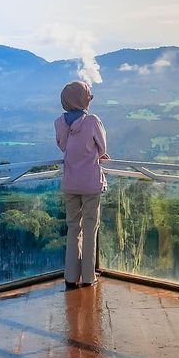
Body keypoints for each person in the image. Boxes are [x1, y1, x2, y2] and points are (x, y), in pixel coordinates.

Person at [54, 80, 109, 289]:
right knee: (90, 228)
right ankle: (88, 277)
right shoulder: (93, 121)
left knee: (72, 228)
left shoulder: (60, 123)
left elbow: (62, 147)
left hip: (70, 183)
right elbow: (102, 147)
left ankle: (70, 277)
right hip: (91, 184)